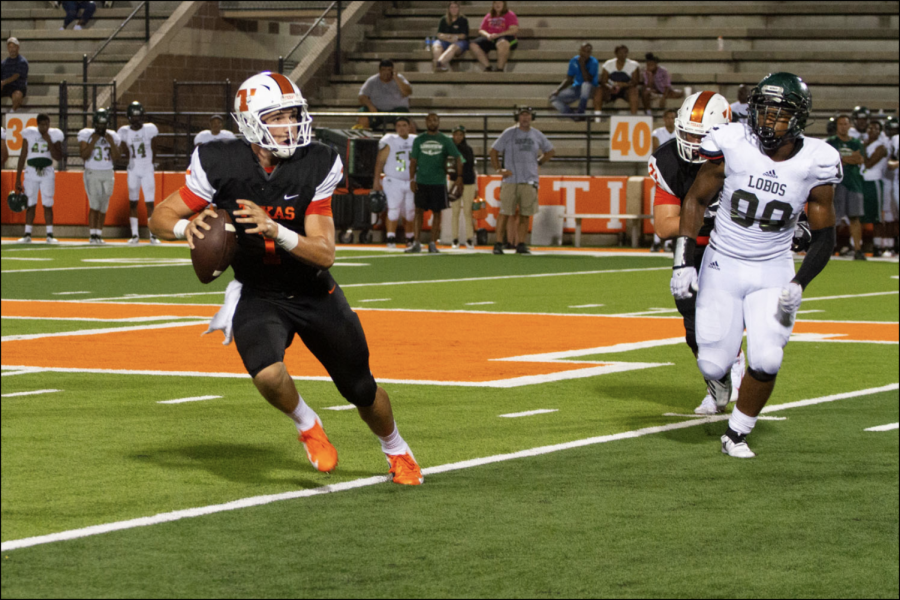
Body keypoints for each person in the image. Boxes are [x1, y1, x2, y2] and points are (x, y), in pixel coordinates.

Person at [148, 71, 423, 485]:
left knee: (361, 390)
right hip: (259, 292)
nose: (290, 126)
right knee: (267, 373)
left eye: (293, 115)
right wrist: (187, 230)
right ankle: (307, 423)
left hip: (314, 291)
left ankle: (397, 449)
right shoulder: (219, 161)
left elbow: (325, 253)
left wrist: (275, 230)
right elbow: (159, 217)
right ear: (250, 122)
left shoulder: (318, 161)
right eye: (277, 117)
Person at [672, 72, 841, 458]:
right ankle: (726, 368)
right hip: (722, 262)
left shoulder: (818, 161)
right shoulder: (733, 142)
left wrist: (799, 283)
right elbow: (696, 200)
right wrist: (684, 260)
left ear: (798, 119)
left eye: (779, 114)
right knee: (713, 365)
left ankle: (737, 433)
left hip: (772, 267)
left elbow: (825, 234)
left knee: (767, 358)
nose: (768, 121)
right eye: (763, 111)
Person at [650, 92, 746, 414]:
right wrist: (708, 217)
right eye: (686, 133)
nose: (691, 142)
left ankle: (736, 360)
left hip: (738, 247)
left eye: (699, 136)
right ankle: (717, 383)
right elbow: (665, 226)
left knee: (734, 314)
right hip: (693, 248)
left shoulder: (742, 155)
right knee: (694, 325)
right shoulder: (668, 160)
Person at [489, 106, 554, 254]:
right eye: (522, 115)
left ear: (532, 117)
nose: (525, 118)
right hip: (511, 179)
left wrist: (538, 162)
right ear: (517, 117)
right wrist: (499, 169)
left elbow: (550, 151)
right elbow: (493, 151)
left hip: (529, 180)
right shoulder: (509, 133)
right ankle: (499, 243)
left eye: (527, 115)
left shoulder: (537, 135)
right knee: (505, 212)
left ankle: (521, 243)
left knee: (525, 214)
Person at [408, 112, 463, 253]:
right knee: (418, 211)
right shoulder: (419, 140)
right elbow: (413, 161)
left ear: (438, 122)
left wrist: (459, 176)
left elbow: (458, 157)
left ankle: (432, 243)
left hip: (438, 181)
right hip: (422, 180)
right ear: (426, 122)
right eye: (430, 120)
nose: (432, 122)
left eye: (435, 120)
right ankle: (416, 242)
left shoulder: (445, 140)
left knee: (437, 212)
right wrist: (412, 179)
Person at [14, 113, 64, 244]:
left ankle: (49, 234)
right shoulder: (29, 134)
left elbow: (58, 156)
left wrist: (49, 141)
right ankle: (27, 234)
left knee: (47, 202)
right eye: (42, 124)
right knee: (30, 203)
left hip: (47, 171)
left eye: (47, 124)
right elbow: (22, 156)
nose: (45, 127)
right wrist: (18, 178)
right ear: (37, 125)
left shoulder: (54, 135)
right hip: (31, 171)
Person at [117, 101, 160, 245]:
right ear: (129, 117)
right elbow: (123, 150)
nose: (136, 119)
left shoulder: (149, 129)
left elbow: (154, 148)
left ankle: (153, 235)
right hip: (133, 169)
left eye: (138, 116)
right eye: (133, 116)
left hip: (147, 168)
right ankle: (135, 235)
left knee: (150, 203)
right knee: (133, 202)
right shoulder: (124, 131)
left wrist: (151, 164)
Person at [78, 107, 120, 245]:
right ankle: (92, 235)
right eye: (99, 124)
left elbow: (117, 158)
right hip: (92, 171)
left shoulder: (112, 136)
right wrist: (92, 142)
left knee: (104, 205)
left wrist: (112, 143)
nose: (101, 127)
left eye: (104, 124)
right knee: (94, 204)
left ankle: (99, 234)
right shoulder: (87, 134)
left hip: (108, 171)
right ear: (95, 123)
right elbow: (84, 155)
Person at [373, 116, 416, 249]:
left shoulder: (415, 140)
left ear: (409, 127)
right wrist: (376, 180)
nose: (401, 128)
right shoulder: (390, 140)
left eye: (404, 125)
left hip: (411, 180)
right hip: (393, 180)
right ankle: (390, 237)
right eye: (398, 125)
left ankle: (410, 237)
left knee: (410, 211)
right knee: (393, 210)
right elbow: (380, 161)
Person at [826, 115, 866, 260]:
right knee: (833, 218)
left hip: (854, 183)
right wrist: (849, 159)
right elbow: (830, 161)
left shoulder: (856, 142)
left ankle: (858, 249)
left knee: (855, 217)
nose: (843, 126)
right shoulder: (830, 142)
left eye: (846, 124)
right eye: (841, 124)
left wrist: (842, 160)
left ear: (849, 126)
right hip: (836, 183)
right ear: (836, 126)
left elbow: (859, 159)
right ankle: (828, 248)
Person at [356, 60, 412, 131]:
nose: (386, 72)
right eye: (384, 70)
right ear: (379, 71)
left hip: (396, 111)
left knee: (405, 117)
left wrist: (396, 79)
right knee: (363, 111)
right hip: (377, 112)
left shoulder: (400, 78)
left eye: (389, 70)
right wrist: (370, 106)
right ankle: (363, 138)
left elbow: (407, 92)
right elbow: (362, 96)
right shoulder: (372, 81)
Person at [860, 120, 889, 256]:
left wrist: (862, 149)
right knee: (862, 215)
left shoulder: (881, 146)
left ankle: (879, 245)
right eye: (870, 128)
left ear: (880, 131)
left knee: (876, 216)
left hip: (874, 181)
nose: (873, 131)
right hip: (862, 181)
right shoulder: (864, 143)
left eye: (876, 129)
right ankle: (864, 244)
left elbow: (869, 163)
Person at [549, 42, 599, 119]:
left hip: (591, 88)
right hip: (577, 88)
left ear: (590, 53)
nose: (585, 54)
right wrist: (558, 90)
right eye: (583, 51)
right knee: (553, 98)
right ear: (580, 51)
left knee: (585, 85)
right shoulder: (574, 61)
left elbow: (587, 79)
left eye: (588, 52)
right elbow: (569, 79)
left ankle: (581, 112)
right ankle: (572, 115)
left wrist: (582, 65)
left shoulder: (594, 62)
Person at [469, 0, 518, 72]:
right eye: (495, 3)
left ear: (504, 4)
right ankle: (488, 67)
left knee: (502, 43)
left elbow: (514, 30)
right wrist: (488, 35)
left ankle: (499, 69)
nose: (497, 5)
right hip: (491, 37)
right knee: (473, 44)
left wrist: (498, 35)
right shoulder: (489, 15)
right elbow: (481, 29)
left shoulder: (510, 14)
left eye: (499, 2)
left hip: (506, 37)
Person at [449, 124, 477, 249]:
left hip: (468, 182)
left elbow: (469, 165)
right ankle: (454, 238)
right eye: (456, 134)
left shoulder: (467, 149)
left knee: (467, 211)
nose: (458, 137)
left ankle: (469, 238)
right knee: (454, 211)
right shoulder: (449, 148)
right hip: (454, 181)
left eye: (460, 134)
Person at [598, 45, 641, 115]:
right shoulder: (608, 64)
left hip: (626, 90)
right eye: (620, 53)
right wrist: (610, 87)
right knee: (599, 90)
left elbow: (635, 82)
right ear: (616, 53)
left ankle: (634, 116)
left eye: (625, 53)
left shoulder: (633, 65)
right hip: (611, 89)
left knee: (634, 91)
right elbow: (603, 81)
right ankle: (597, 117)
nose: (623, 55)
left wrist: (624, 85)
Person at [432, 1, 469, 72]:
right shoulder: (443, 19)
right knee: (436, 45)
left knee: (452, 47)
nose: (454, 9)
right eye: (451, 7)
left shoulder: (463, 19)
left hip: (459, 43)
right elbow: (439, 34)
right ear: (448, 9)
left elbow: (463, 36)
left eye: (455, 7)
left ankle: (438, 63)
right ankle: (439, 67)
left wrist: (452, 37)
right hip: (445, 41)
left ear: (458, 8)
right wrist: (448, 37)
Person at [1, 38, 28, 113]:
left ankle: (12, 112)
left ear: (18, 48)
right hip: (6, 87)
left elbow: (16, 75)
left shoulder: (22, 61)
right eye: (10, 47)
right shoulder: (4, 63)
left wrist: (3, 82)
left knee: (17, 95)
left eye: (14, 47)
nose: (12, 49)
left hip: (18, 87)